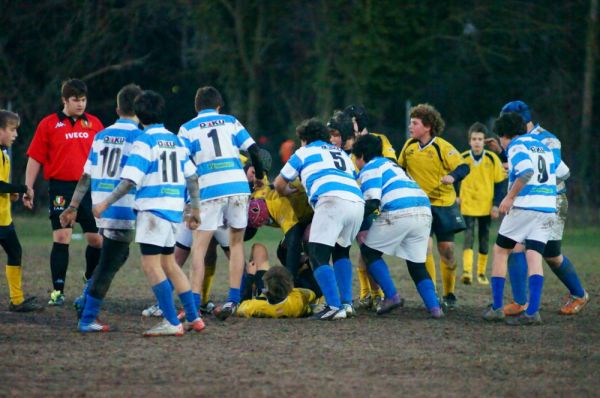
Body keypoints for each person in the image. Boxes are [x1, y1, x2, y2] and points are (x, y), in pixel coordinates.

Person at [93, 90, 204, 336]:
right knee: (169, 264)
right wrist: (194, 208)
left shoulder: (144, 141)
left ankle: (172, 322)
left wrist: (104, 203)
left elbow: (129, 181)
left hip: (152, 211)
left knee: (151, 265)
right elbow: (192, 177)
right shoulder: (175, 140)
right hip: (173, 212)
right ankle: (194, 317)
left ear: (139, 114)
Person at [59, 84, 143, 332]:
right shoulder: (139, 137)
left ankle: (85, 300)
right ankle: (87, 313)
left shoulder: (101, 135)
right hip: (122, 208)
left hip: (100, 207)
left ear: (117, 109)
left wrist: (73, 205)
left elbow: (86, 176)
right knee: (111, 260)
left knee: (114, 255)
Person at [178, 86, 265, 320]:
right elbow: (255, 150)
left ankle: (194, 304)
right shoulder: (230, 121)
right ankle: (233, 300)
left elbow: (181, 165)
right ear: (219, 106)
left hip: (208, 189)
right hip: (237, 187)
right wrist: (259, 176)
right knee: (236, 245)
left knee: (199, 247)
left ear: (196, 108)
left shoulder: (187, 129)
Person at [499, 101, 589, 316]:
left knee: (551, 255)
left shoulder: (548, 139)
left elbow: (560, 172)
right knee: (516, 246)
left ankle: (579, 294)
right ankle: (520, 302)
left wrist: (521, 171)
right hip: (525, 201)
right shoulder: (516, 139)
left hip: (551, 200)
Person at [483, 112, 568, 325]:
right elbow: (563, 171)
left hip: (525, 205)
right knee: (534, 256)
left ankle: (496, 308)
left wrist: (509, 197)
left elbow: (527, 171)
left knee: (501, 251)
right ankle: (532, 312)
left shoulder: (516, 146)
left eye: (501, 138)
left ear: (505, 135)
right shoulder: (543, 145)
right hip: (548, 206)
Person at [274, 118, 364, 320]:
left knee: (316, 254)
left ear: (304, 139)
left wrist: (291, 190)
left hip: (331, 200)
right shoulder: (340, 153)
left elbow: (279, 184)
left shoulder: (303, 152)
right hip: (356, 202)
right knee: (341, 252)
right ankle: (347, 304)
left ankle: (333, 306)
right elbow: (354, 176)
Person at [24, 79, 104, 306]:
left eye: (83, 100)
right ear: (64, 100)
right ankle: (58, 291)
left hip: (90, 189)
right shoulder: (49, 124)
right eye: (75, 100)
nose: (80, 105)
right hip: (61, 188)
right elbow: (35, 158)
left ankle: (89, 282)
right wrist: (28, 186)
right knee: (62, 236)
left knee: (96, 240)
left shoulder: (95, 124)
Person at [352, 134, 443, 318]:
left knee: (369, 252)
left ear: (361, 155)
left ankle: (391, 296)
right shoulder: (393, 165)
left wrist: (351, 222)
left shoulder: (370, 168)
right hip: (424, 210)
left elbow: (372, 202)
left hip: (400, 210)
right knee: (417, 264)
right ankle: (435, 308)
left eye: (355, 157)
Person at [397, 104, 469, 310]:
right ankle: (433, 295)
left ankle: (450, 294)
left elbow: (464, 166)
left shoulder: (442, 147)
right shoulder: (409, 146)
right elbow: (399, 169)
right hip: (421, 206)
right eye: (411, 123)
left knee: (446, 251)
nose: (411, 127)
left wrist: (452, 176)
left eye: (415, 123)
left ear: (427, 126)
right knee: (424, 249)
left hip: (444, 206)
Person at [329, 109, 384, 311]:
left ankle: (379, 295)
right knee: (337, 250)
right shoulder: (335, 152)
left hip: (364, 209)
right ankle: (361, 295)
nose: (333, 138)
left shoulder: (363, 151)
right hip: (342, 207)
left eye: (336, 134)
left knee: (368, 252)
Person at [0, 110, 43, 312]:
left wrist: (11, 194)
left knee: (15, 251)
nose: (15, 134)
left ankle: (17, 300)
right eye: (12, 129)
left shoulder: (4, 154)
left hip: (4, 219)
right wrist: (22, 188)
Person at [458, 122, 506, 285]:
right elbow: (454, 178)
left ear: (484, 141)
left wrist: (496, 205)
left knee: (484, 238)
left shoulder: (492, 159)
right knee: (468, 237)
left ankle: (481, 273)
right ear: (469, 141)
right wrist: (457, 195)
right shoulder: (462, 158)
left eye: (480, 139)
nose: (477, 142)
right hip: (467, 205)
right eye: (474, 139)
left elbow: (500, 183)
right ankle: (467, 272)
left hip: (486, 206)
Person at [236, 265, 317, 318]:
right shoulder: (297, 298)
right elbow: (311, 294)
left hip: (264, 300)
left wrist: (250, 276)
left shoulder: (256, 306)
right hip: (285, 300)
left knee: (258, 252)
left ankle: (251, 272)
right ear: (290, 287)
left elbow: (241, 308)